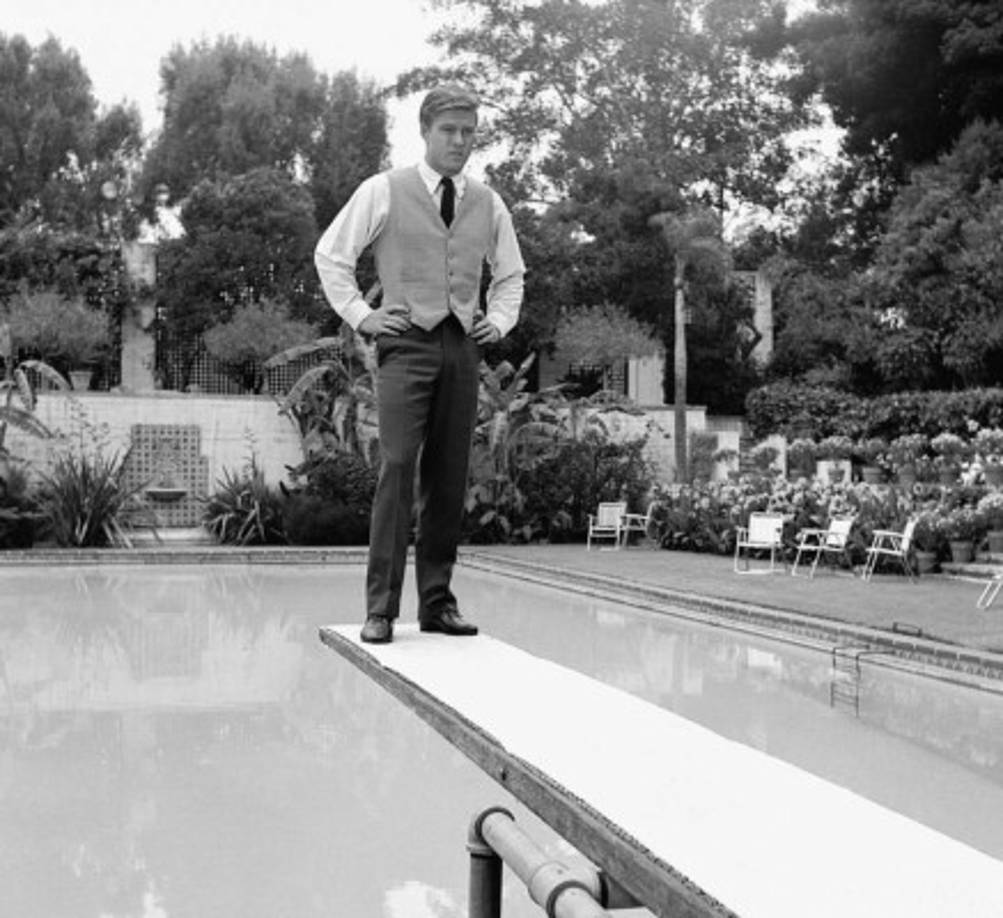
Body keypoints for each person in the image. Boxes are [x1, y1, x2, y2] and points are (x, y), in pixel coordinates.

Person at [314, 85, 525, 644]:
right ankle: (381, 608)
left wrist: (498, 323)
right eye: (449, 131)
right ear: (426, 131)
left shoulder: (488, 201)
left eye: (468, 132)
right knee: (400, 465)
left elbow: (511, 274)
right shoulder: (383, 190)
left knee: (449, 477)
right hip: (405, 341)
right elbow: (332, 256)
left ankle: (436, 604)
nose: (460, 141)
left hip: (462, 346)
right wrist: (364, 315)